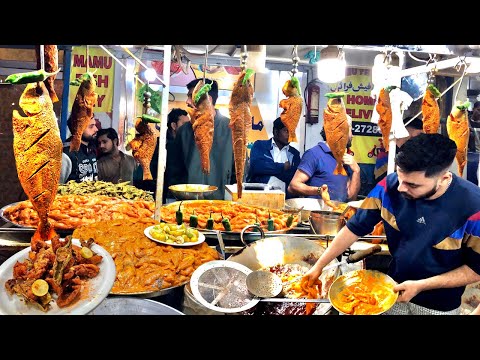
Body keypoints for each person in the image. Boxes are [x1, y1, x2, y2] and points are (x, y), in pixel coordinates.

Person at [305, 133, 480, 315]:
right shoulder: (390, 185)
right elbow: (354, 228)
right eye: (400, 177)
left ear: (444, 178)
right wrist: (320, 265)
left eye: (412, 185)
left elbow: (476, 269)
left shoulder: (474, 207)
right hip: (391, 292)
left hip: (439, 307)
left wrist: (421, 285)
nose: (400, 188)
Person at [169, 78, 235, 200]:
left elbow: (237, 173)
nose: (187, 101)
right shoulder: (183, 132)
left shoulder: (231, 129)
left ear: (208, 100)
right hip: (187, 202)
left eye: (191, 96)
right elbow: (174, 170)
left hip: (221, 204)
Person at [288, 115, 360, 202]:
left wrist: (356, 171)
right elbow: (293, 186)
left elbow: (351, 198)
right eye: (350, 130)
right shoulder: (314, 154)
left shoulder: (346, 160)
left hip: (338, 213)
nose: (352, 136)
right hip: (316, 214)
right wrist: (318, 191)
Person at [247, 117, 300, 198]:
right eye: (286, 131)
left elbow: (293, 177)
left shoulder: (294, 153)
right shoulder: (260, 145)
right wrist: (283, 167)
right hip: (257, 196)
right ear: (276, 132)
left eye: (291, 131)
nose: (289, 134)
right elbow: (257, 167)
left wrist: (269, 170)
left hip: (284, 199)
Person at [374, 116, 425, 182]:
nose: (421, 138)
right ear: (407, 130)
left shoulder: (414, 151)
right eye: (420, 134)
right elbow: (380, 177)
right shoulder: (388, 150)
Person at [163, 108, 190, 203]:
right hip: (170, 195)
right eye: (184, 124)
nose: (188, 128)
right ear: (173, 125)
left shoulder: (186, 145)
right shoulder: (162, 145)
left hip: (183, 194)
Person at [63, 114, 98, 182]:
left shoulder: (91, 149)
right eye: (91, 126)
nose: (96, 129)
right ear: (78, 129)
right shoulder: (66, 154)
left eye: (95, 125)